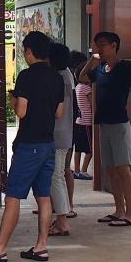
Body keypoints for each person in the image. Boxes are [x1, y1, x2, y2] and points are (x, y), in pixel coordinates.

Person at [0, 31, 63, 262]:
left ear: (29, 51)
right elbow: (59, 112)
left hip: (29, 144)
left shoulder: (26, 76)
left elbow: (21, 112)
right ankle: (41, 246)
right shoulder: (57, 77)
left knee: (13, 196)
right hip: (48, 144)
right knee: (43, 196)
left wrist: (14, 101)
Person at [79, 31, 131, 227]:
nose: (99, 49)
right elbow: (82, 77)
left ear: (114, 45)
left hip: (119, 125)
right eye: (97, 45)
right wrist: (92, 60)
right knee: (111, 170)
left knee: (123, 169)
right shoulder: (100, 69)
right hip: (104, 124)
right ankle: (119, 211)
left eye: (102, 45)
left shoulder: (127, 67)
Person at [48, 43, 77, 237]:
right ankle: (61, 217)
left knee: (56, 177)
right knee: (57, 175)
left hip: (58, 133)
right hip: (63, 132)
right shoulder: (67, 75)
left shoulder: (60, 78)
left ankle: (62, 221)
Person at [71, 51, 93, 179]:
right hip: (87, 122)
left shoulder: (78, 87)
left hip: (79, 121)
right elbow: (92, 103)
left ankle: (77, 170)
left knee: (78, 149)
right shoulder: (87, 89)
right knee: (90, 149)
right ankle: (84, 171)